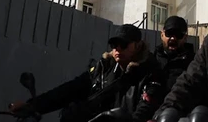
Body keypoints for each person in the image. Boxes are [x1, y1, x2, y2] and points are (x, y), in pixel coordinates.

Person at [8, 24, 165, 121]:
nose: (118, 49)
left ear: (137, 46)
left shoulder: (150, 71)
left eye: (123, 44)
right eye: (114, 45)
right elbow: (71, 89)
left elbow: (146, 106)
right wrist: (33, 105)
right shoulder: (104, 67)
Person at [154, 16, 195, 91]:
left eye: (178, 35)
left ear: (185, 38)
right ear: (162, 35)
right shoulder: (152, 59)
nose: (173, 38)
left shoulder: (193, 64)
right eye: (169, 33)